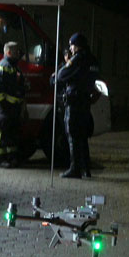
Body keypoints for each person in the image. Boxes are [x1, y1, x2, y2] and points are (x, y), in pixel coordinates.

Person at [56, 32, 99, 179]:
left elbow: (61, 75)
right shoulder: (93, 59)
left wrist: (67, 63)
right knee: (83, 136)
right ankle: (86, 169)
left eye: (72, 45)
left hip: (74, 101)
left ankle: (74, 169)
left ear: (77, 45)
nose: (71, 48)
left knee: (73, 135)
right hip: (86, 102)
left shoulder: (78, 59)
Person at [0, 41, 26, 168]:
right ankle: (1, 159)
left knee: (12, 133)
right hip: (5, 107)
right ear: (9, 52)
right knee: (3, 132)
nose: (18, 54)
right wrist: (3, 104)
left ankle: (12, 158)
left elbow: (19, 85)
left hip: (14, 106)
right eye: (16, 51)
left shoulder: (14, 67)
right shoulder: (2, 66)